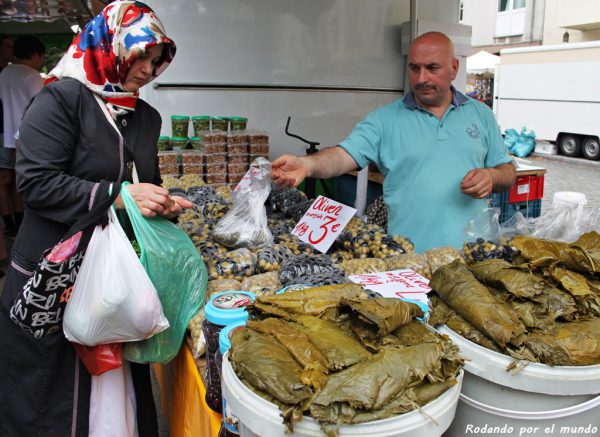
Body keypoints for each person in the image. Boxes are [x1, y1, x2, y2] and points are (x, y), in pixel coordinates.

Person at [0, 2, 190, 436]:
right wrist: (118, 195)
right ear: (109, 46)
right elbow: (35, 183)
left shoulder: (145, 116)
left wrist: (163, 201)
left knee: (112, 383)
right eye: (139, 55)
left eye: (156, 60)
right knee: (52, 394)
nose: (147, 68)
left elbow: (143, 180)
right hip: (54, 272)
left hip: (113, 276)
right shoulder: (62, 99)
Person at [272, 32, 516, 252]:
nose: (421, 78)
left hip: (475, 257)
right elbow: (342, 156)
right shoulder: (384, 120)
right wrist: (307, 165)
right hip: (409, 262)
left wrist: (491, 177)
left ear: (454, 68)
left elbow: (507, 172)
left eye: (432, 68)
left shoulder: (481, 114)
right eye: (414, 68)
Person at [0, 35, 45, 238]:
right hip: (26, 137)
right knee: (24, 180)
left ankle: (10, 223)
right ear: (35, 54)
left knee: (4, 181)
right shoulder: (33, 76)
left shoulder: (4, 74)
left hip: (3, 136)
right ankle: (24, 222)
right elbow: (42, 108)